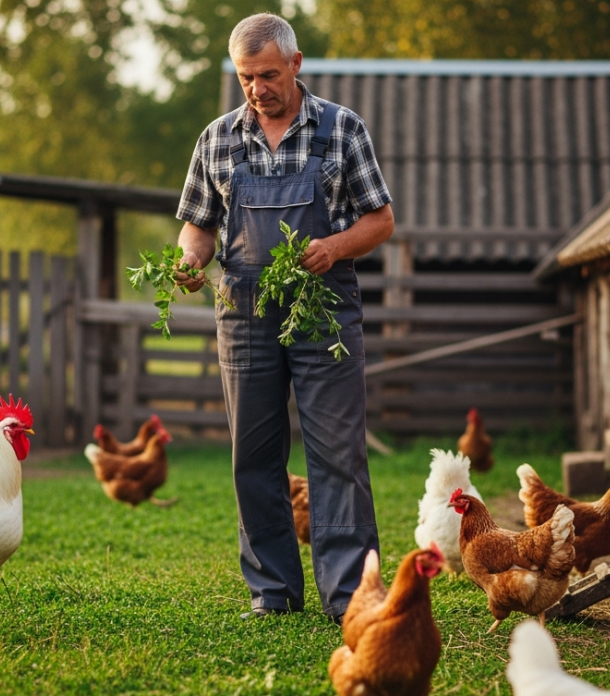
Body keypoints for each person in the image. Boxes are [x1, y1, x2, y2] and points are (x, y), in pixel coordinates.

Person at [173, 12, 394, 623]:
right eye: (246, 77)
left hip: (323, 311)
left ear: (295, 65)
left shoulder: (341, 130)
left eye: (267, 74)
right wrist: (192, 260)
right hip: (244, 313)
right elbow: (198, 227)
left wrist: (335, 247)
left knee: (337, 453)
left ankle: (349, 594)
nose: (257, 88)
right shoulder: (217, 139)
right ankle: (272, 592)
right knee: (254, 453)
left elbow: (381, 221)